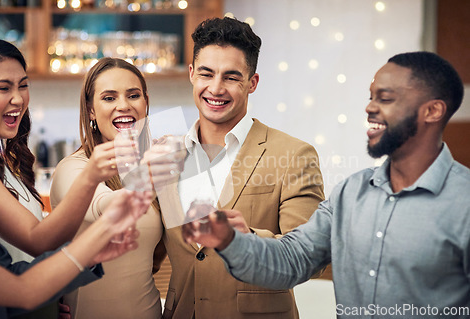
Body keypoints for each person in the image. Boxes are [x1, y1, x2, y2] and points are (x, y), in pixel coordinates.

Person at [184, 51, 470, 318]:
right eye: (371, 97)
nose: (369, 108)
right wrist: (231, 241)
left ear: (432, 111)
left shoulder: (464, 202)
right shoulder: (350, 193)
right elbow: (292, 259)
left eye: (385, 98)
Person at [158, 17, 325, 319]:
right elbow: (146, 251)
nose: (216, 88)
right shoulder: (166, 156)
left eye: (232, 77)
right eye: (207, 74)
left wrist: (244, 237)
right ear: (192, 75)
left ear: (252, 83)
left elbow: (310, 256)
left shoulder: (294, 154)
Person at [0, 57, 153, 319]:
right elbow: (36, 245)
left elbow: (20, 287)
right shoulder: (74, 168)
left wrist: (57, 288)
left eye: (23, 86)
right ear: (90, 109)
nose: (19, 100)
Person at [50, 57, 175, 319]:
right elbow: (108, 210)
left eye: (133, 95)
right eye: (109, 98)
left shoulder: (151, 168)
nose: (124, 106)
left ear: (146, 102)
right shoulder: (73, 169)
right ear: (91, 110)